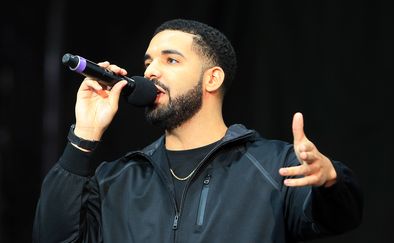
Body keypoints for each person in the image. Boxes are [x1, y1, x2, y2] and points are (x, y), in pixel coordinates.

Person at [33, 19, 363, 243]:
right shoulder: (115, 180)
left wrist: (332, 181)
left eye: (170, 60)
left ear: (212, 79)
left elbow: (342, 217)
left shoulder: (274, 166)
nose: (150, 71)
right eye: (148, 61)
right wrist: (84, 136)